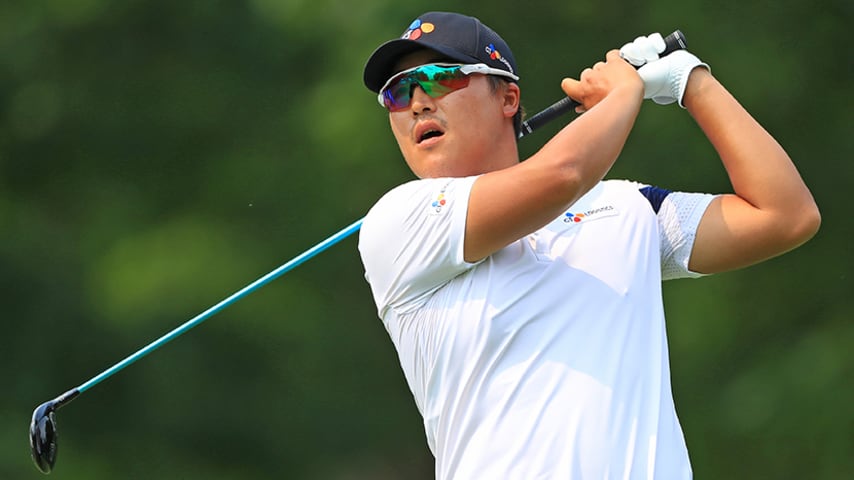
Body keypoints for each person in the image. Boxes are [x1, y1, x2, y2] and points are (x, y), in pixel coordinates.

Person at [357, 11, 819, 480]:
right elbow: (563, 174)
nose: (417, 103)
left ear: (508, 98)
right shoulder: (396, 223)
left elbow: (784, 216)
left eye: (439, 79)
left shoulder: (628, 207)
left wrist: (691, 82)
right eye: (397, 92)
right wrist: (624, 93)